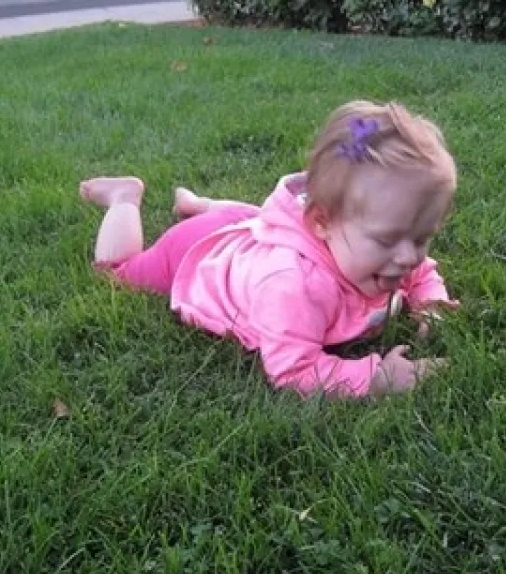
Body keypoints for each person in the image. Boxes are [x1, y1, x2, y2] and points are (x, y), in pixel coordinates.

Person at [80, 100, 460, 398]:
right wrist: (375, 379)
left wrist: (432, 304)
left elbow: (422, 273)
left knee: (251, 221)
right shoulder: (293, 285)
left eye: (422, 237)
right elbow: (293, 370)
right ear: (322, 222)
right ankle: (124, 198)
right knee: (117, 273)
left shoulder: (392, 244)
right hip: (200, 250)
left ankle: (202, 204)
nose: (409, 256)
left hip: (251, 229)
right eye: (388, 240)